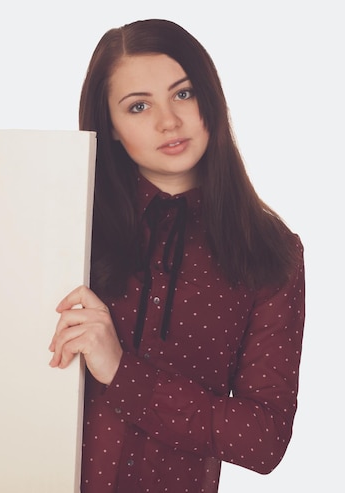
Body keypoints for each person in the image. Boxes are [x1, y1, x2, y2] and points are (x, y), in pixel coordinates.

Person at [48, 19, 305, 493]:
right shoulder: (60, 227)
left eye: (183, 94)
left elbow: (265, 440)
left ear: (211, 98)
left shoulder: (271, 252)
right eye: (139, 106)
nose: (168, 121)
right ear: (112, 128)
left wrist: (122, 372)